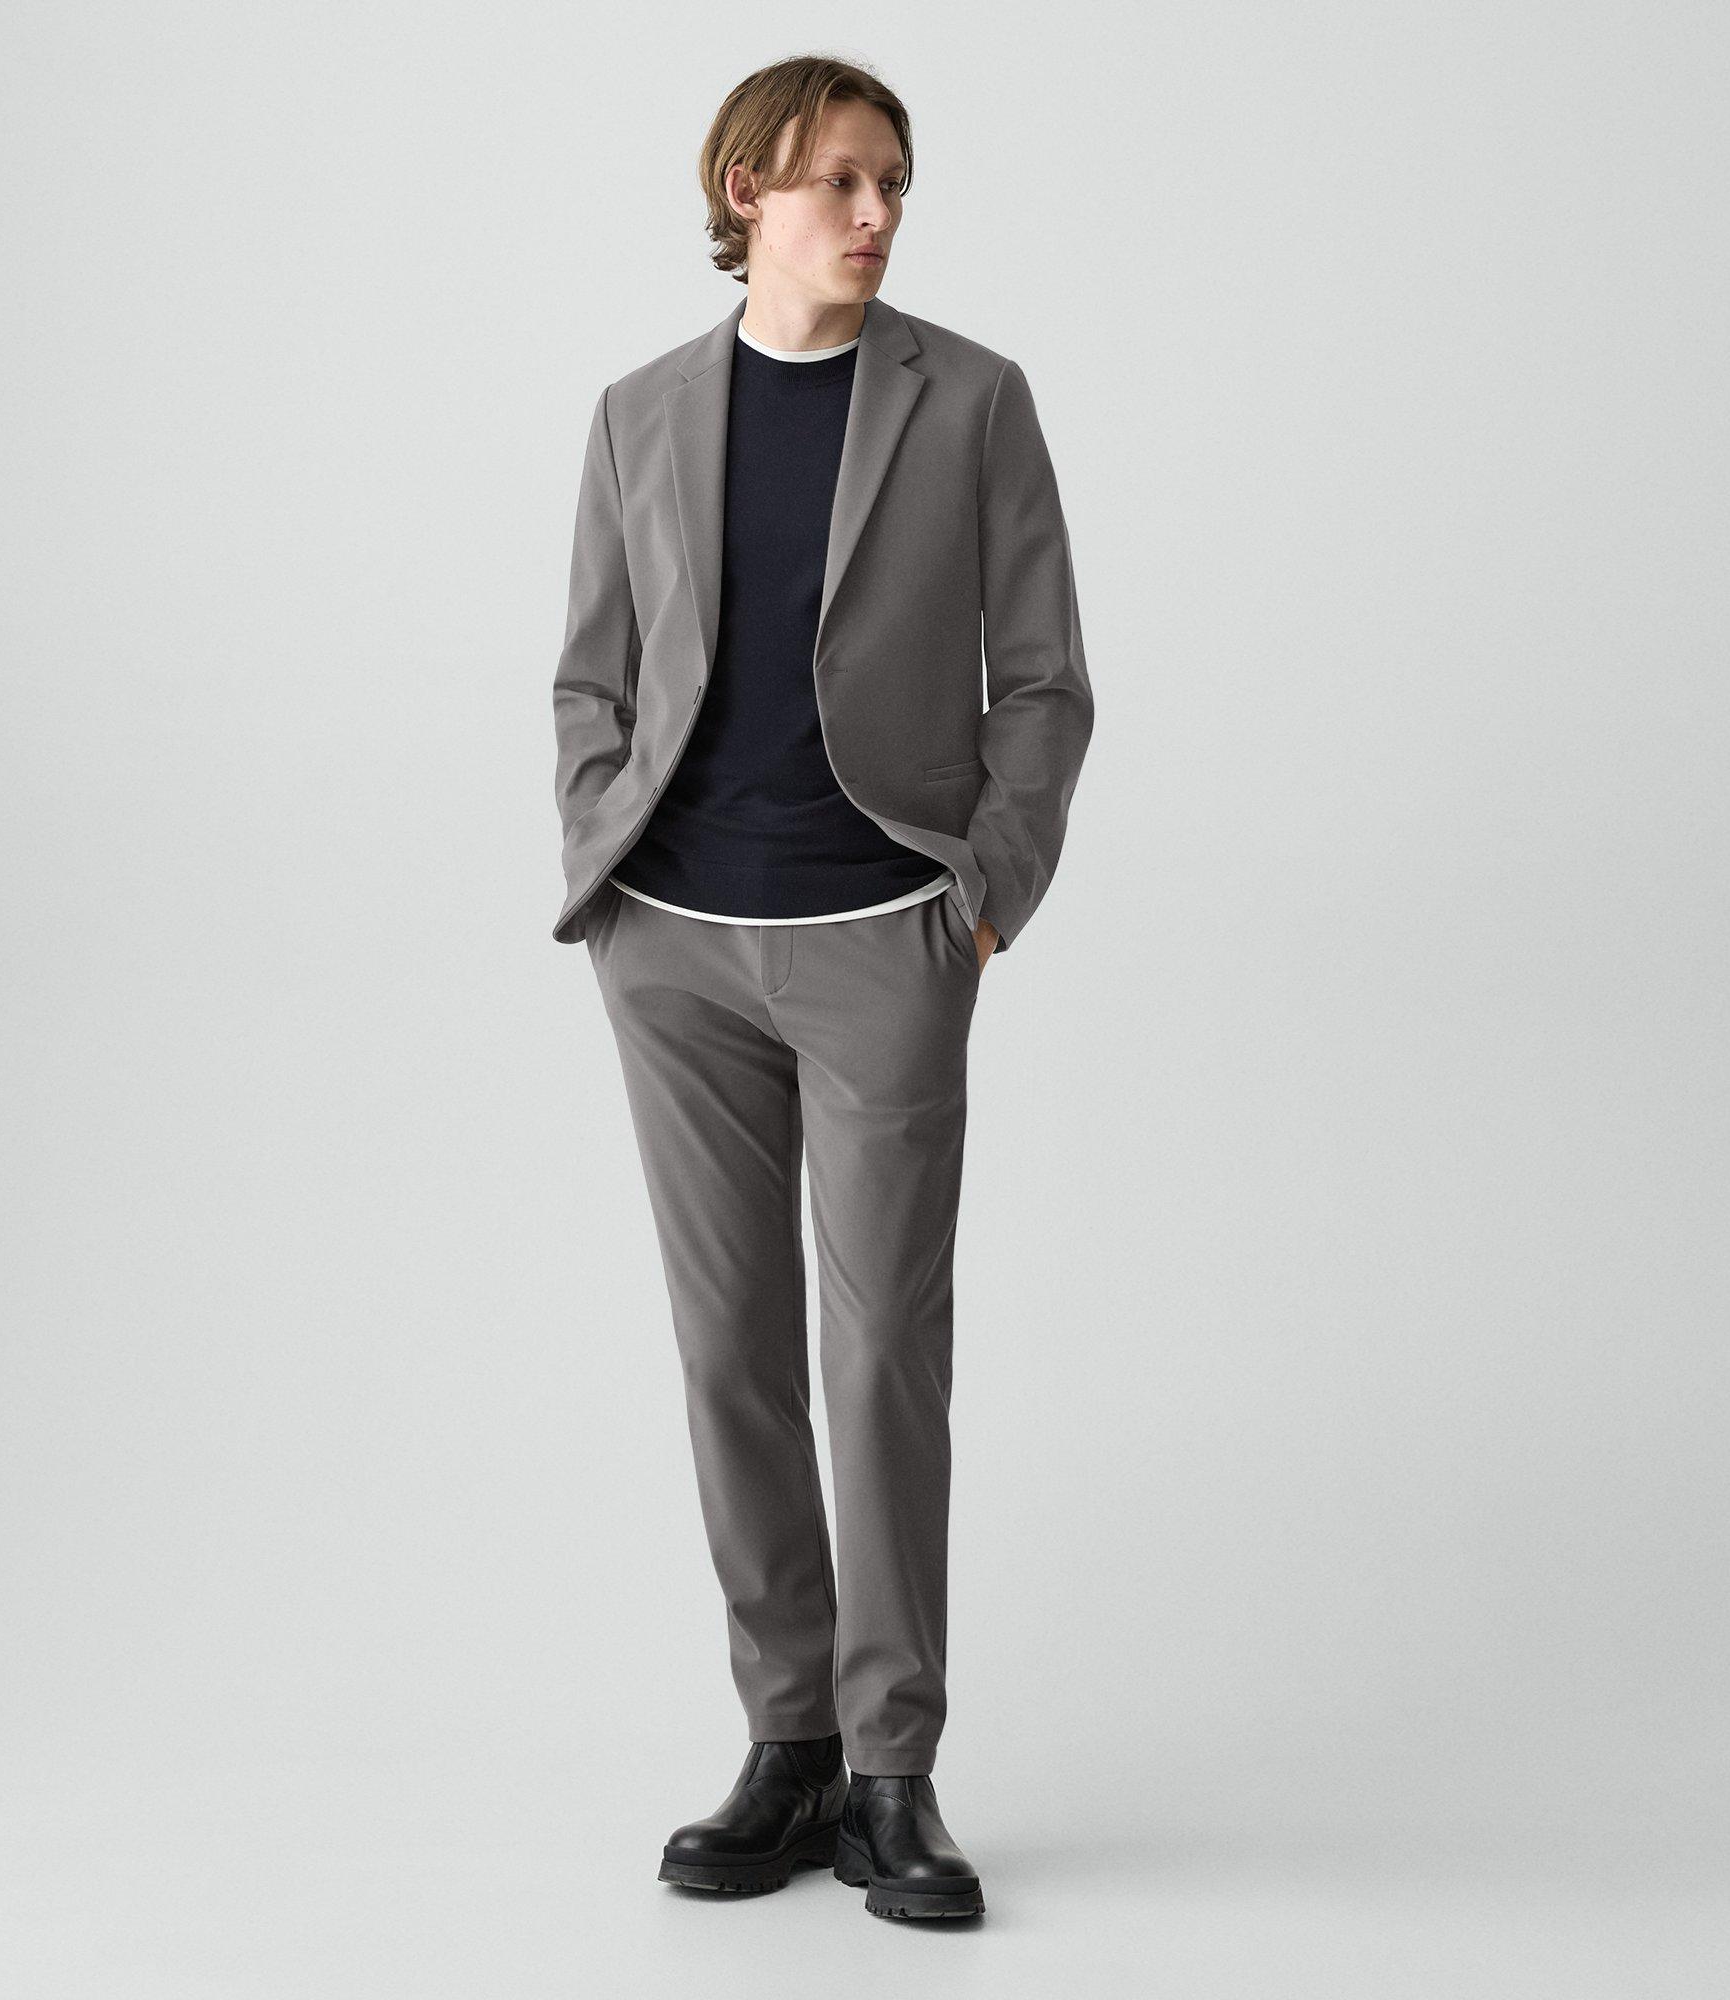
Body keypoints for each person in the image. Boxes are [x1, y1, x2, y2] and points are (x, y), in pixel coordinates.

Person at [548, 54, 1093, 1922]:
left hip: (884, 939)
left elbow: (1045, 677)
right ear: (748, 190)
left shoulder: (971, 399)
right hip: (675, 945)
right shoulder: (639, 412)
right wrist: (603, 861)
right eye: (841, 181)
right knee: (731, 1356)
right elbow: (591, 675)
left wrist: (986, 894)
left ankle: (892, 1771)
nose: (875, 215)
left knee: (878, 1359)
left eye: (894, 184)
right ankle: (783, 1747)